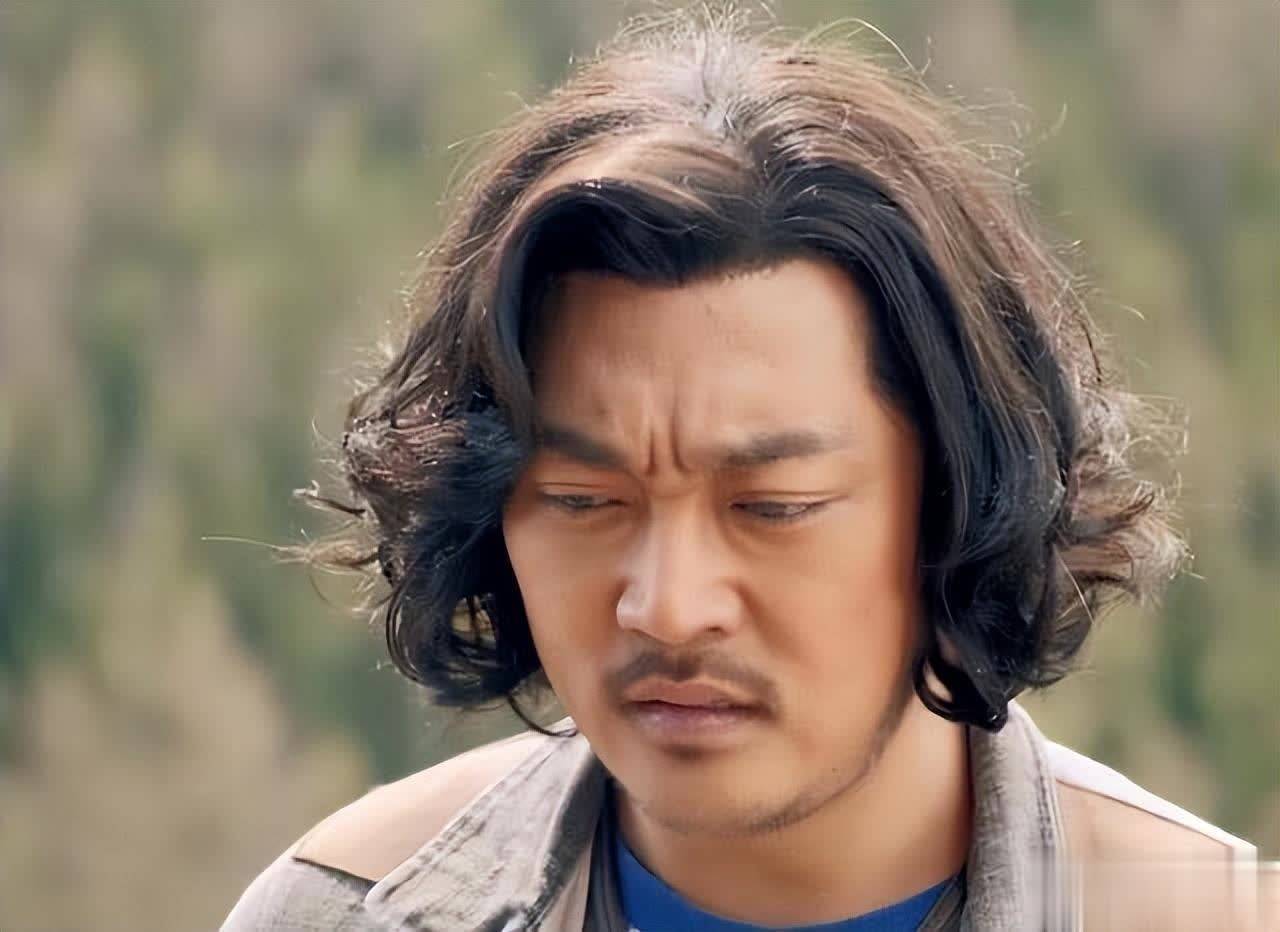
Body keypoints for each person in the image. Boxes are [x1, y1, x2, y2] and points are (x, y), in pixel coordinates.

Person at [223, 11, 1263, 931]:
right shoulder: (341, 912)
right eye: (583, 500)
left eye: (773, 506)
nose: (668, 607)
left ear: (956, 507)